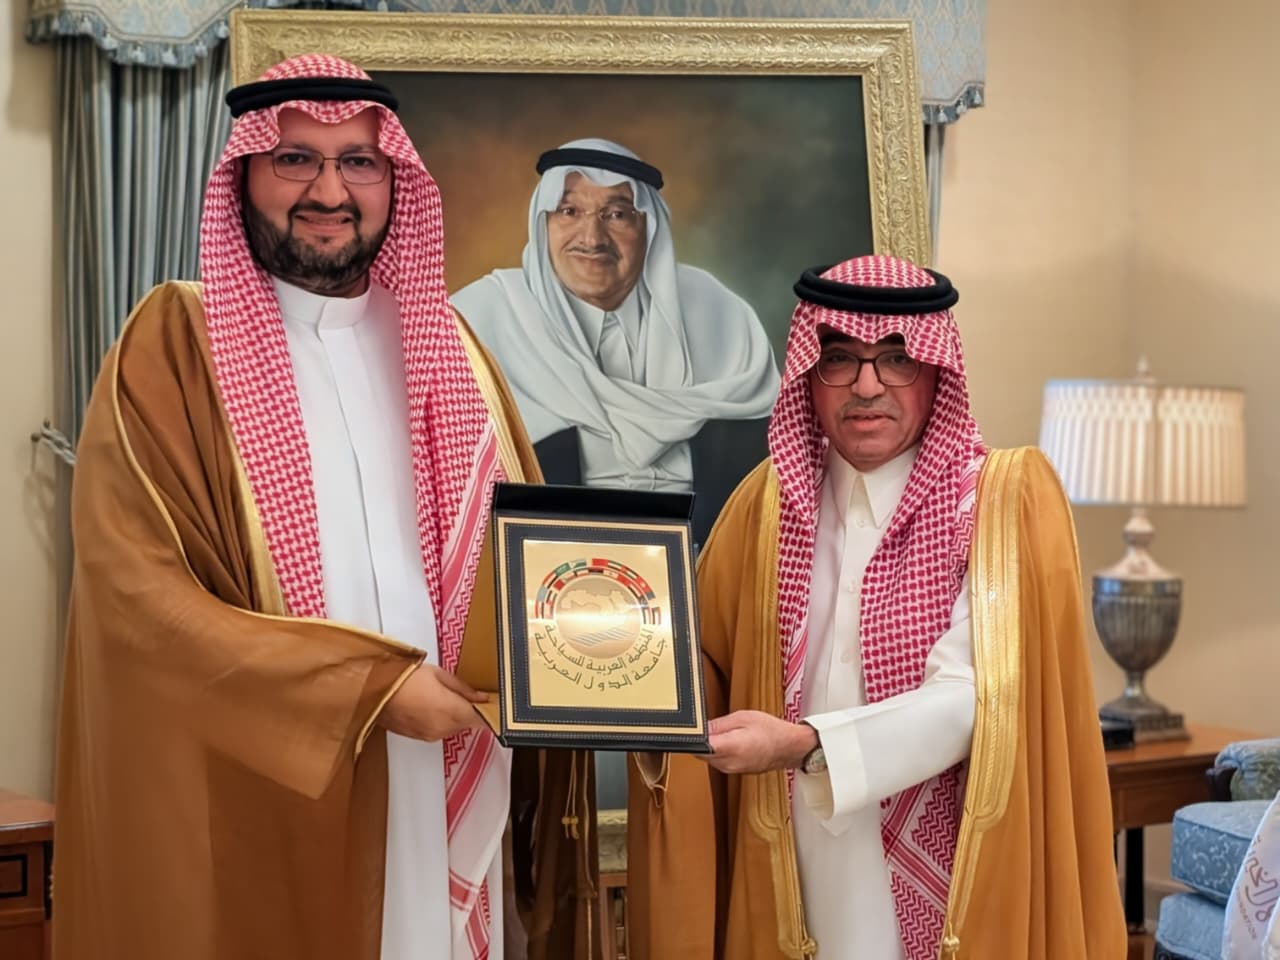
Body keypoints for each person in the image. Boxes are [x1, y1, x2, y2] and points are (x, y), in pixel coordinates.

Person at [52, 55, 593, 960]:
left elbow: (525, 557)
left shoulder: (451, 345)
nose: (330, 191)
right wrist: (362, 693)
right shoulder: (175, 346)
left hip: (447, 762)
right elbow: (140, 600)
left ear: (394, 179)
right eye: (296, 159)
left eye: (359, 162)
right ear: (245, 174)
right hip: (269, 780)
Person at [627, 255, 1127, 959]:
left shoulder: (996, 505)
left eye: (896, 358)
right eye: (840, 359)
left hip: (947, 860)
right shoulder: (763, 508)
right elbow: (692, 663)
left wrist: (806, 744)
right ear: (809, 373)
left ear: (935, 371)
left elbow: (976, 698)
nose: (867, 386)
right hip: (789, 850)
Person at [451, 137, 780, 546]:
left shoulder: (717, 312)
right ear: (543, 223)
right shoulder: (480, 320)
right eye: (569, 211)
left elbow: (761, 463)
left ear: (649, 228)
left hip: (707, 557)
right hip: (543, 559)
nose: (592, 238)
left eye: (617, 214)